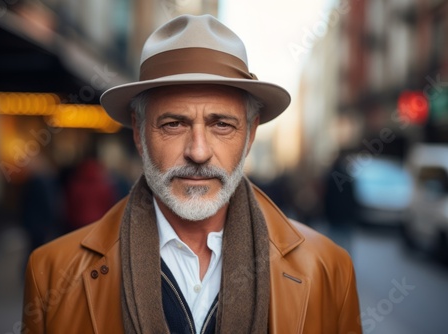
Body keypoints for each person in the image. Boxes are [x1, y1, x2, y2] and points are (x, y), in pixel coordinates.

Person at [22, 14, 362, 334]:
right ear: (139, 133)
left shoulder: (328, 270)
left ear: (250, 135)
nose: (198, 152)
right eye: (174, 124)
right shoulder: (52, 272)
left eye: (222, 124)